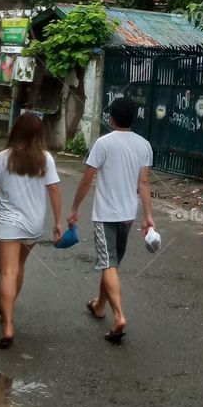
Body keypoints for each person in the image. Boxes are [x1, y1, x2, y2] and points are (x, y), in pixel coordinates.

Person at [68, 97, 155, 344]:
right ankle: (99, 305)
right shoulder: (144, 145)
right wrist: (148, 216)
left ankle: (119, 316)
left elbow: (87, 179)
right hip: (128, 214)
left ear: (111, 119)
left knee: (108, 264)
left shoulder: (103, 143)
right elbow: (144, 183)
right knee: (112, 264)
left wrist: (75, 207)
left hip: (105, 215)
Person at [0, 112, 61, 350]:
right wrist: (57, 223)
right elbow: (54, 190)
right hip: (33, 224)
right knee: (19, 267)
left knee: (7, 272)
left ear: (16, 131)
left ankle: (8, 326)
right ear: (39, 134)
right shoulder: (46, 159)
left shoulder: (2, 158)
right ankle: (7, 306)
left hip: (7, 222)